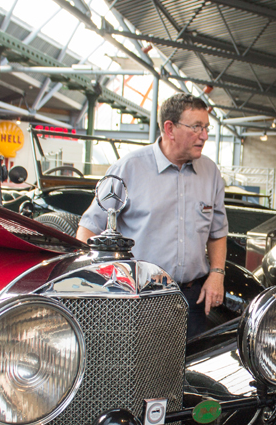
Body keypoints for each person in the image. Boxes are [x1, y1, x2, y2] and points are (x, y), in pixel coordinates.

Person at [77, 93, 228, 338]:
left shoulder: (210, 172)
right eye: (196, 127)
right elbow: (89, 227)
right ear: (170, 128)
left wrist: (217, 274)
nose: (204, 136)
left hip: (192, 300)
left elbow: (218, 231)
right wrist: (102, 284)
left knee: (195, 363)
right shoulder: (129, 168)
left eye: (206, 127)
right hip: (138, 299)